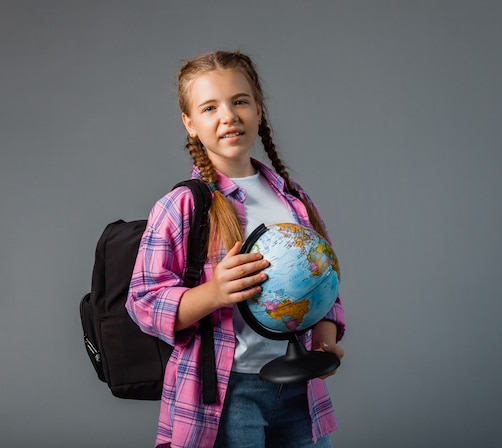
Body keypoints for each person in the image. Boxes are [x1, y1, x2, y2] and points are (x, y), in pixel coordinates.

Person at [127, 50, 345, 448]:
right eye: (210, 107)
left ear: (259, 110)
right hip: (226, 395)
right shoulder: (183, 207)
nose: (228, 115)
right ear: (190, 124)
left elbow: (323, 281)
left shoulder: (293, 199)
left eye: (240, 101)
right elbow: (142, 301)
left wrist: (325, 340)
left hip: (299, 388)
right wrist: (213, 293)